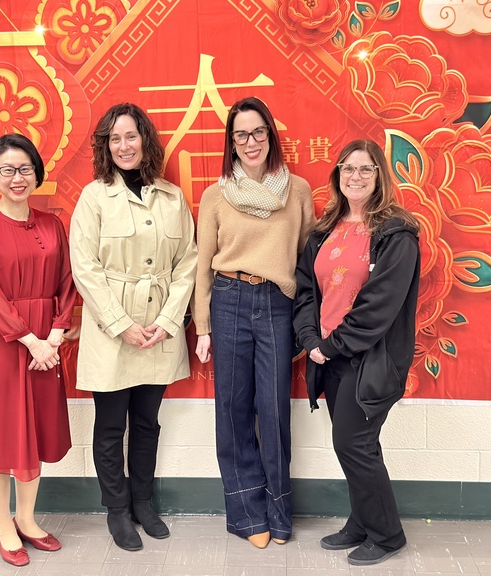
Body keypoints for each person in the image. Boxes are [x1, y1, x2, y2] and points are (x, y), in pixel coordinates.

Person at [70, 102, 198, 552]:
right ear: (106, 147)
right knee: (110, 426)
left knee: (147, 422)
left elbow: (188, 263)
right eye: (115, 139)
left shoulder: (172, 197)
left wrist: (167, 320)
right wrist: (120, 324)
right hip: (112, 329)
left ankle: (143, 502)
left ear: (145, 140)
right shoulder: (93, 197)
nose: (124, 146)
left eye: (131, 136)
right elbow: (85, 267)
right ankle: (117, 510)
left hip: (158, 328)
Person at [193, 96, 316, 549]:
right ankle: (247, 515)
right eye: (241, 134)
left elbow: (307, 261)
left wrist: (307, 322)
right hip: (228, 299)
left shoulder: (297, 190)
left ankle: (279, 515)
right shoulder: (216, 195)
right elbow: (202, 265)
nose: (250, 142)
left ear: (270, 135)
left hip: (277, 302)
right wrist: (202, 326)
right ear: (231, 141)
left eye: (258, 132)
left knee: (274, 410)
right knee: (233, 411)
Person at [292, 139, 420, 566]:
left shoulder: (395, 234)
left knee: (353, 444)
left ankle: (387, 535)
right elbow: (306, 290)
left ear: (380, 175)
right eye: (348, 168)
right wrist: (311, 340)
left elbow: (380, 304)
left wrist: (331, 346)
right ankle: (362, 522)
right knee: (359, 445)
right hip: (329, 357)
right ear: (338, 175)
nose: (356, 176)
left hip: (369, 360)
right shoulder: (324, 230)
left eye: (366, 169)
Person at [0, 133, 78, 567]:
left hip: (46, 344)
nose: (17, 178)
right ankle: (4, 525)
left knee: (35, 431)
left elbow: (66, 282)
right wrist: (29, 339)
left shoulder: (52, 224)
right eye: (7, 170)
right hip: (3, 341)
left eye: (25, 168)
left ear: (37, 173)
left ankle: (27, 519)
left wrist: (55, 335)